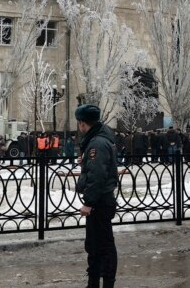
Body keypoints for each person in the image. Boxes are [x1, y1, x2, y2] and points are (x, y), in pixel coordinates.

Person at [74, 104, 119, 288]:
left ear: (83, 123)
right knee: (95, 244)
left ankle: (106, 283)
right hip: (102, 200)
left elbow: (97, 175)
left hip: (100, 201)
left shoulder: (97, 143)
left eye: (79, 122)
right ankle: (94, 282)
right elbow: (97, 168)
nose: (79, 126)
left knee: (104, 245)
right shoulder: (98, 140)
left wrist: (89, 203)